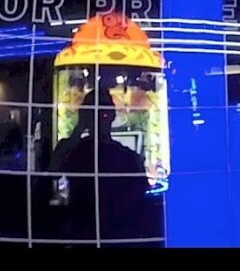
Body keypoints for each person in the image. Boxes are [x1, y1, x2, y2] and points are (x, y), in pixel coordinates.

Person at [40, 88, 160, 240]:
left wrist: (80, 127)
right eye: (95, 113)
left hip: (91, 232)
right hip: (98, 233)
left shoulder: (74, 151)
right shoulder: (128, 157)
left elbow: (50, 176)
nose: (99, 118)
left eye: (102, 113)